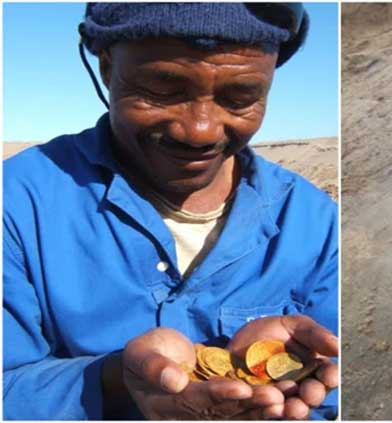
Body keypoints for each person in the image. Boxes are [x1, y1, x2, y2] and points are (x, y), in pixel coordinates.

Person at [3, 3, 339, 420]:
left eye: (240, 98)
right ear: (107, 69)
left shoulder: (313, 220)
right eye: (163, 88)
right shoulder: (16, 202)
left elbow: (336, 392)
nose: (200, 130)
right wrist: (114, 379)